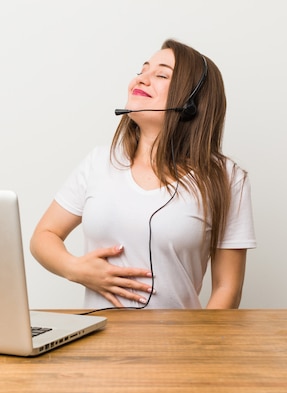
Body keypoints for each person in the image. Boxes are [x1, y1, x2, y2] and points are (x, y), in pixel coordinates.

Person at [30, 39, 256, 310]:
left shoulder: (227, 179)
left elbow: (227, 288)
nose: (141, 79)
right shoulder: (98, 162)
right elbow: (44, 235)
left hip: (181, 346)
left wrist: (199, 348)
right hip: (98, 345)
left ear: (191, 103)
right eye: (142, 71)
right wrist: (76, 269)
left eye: (161, 75)